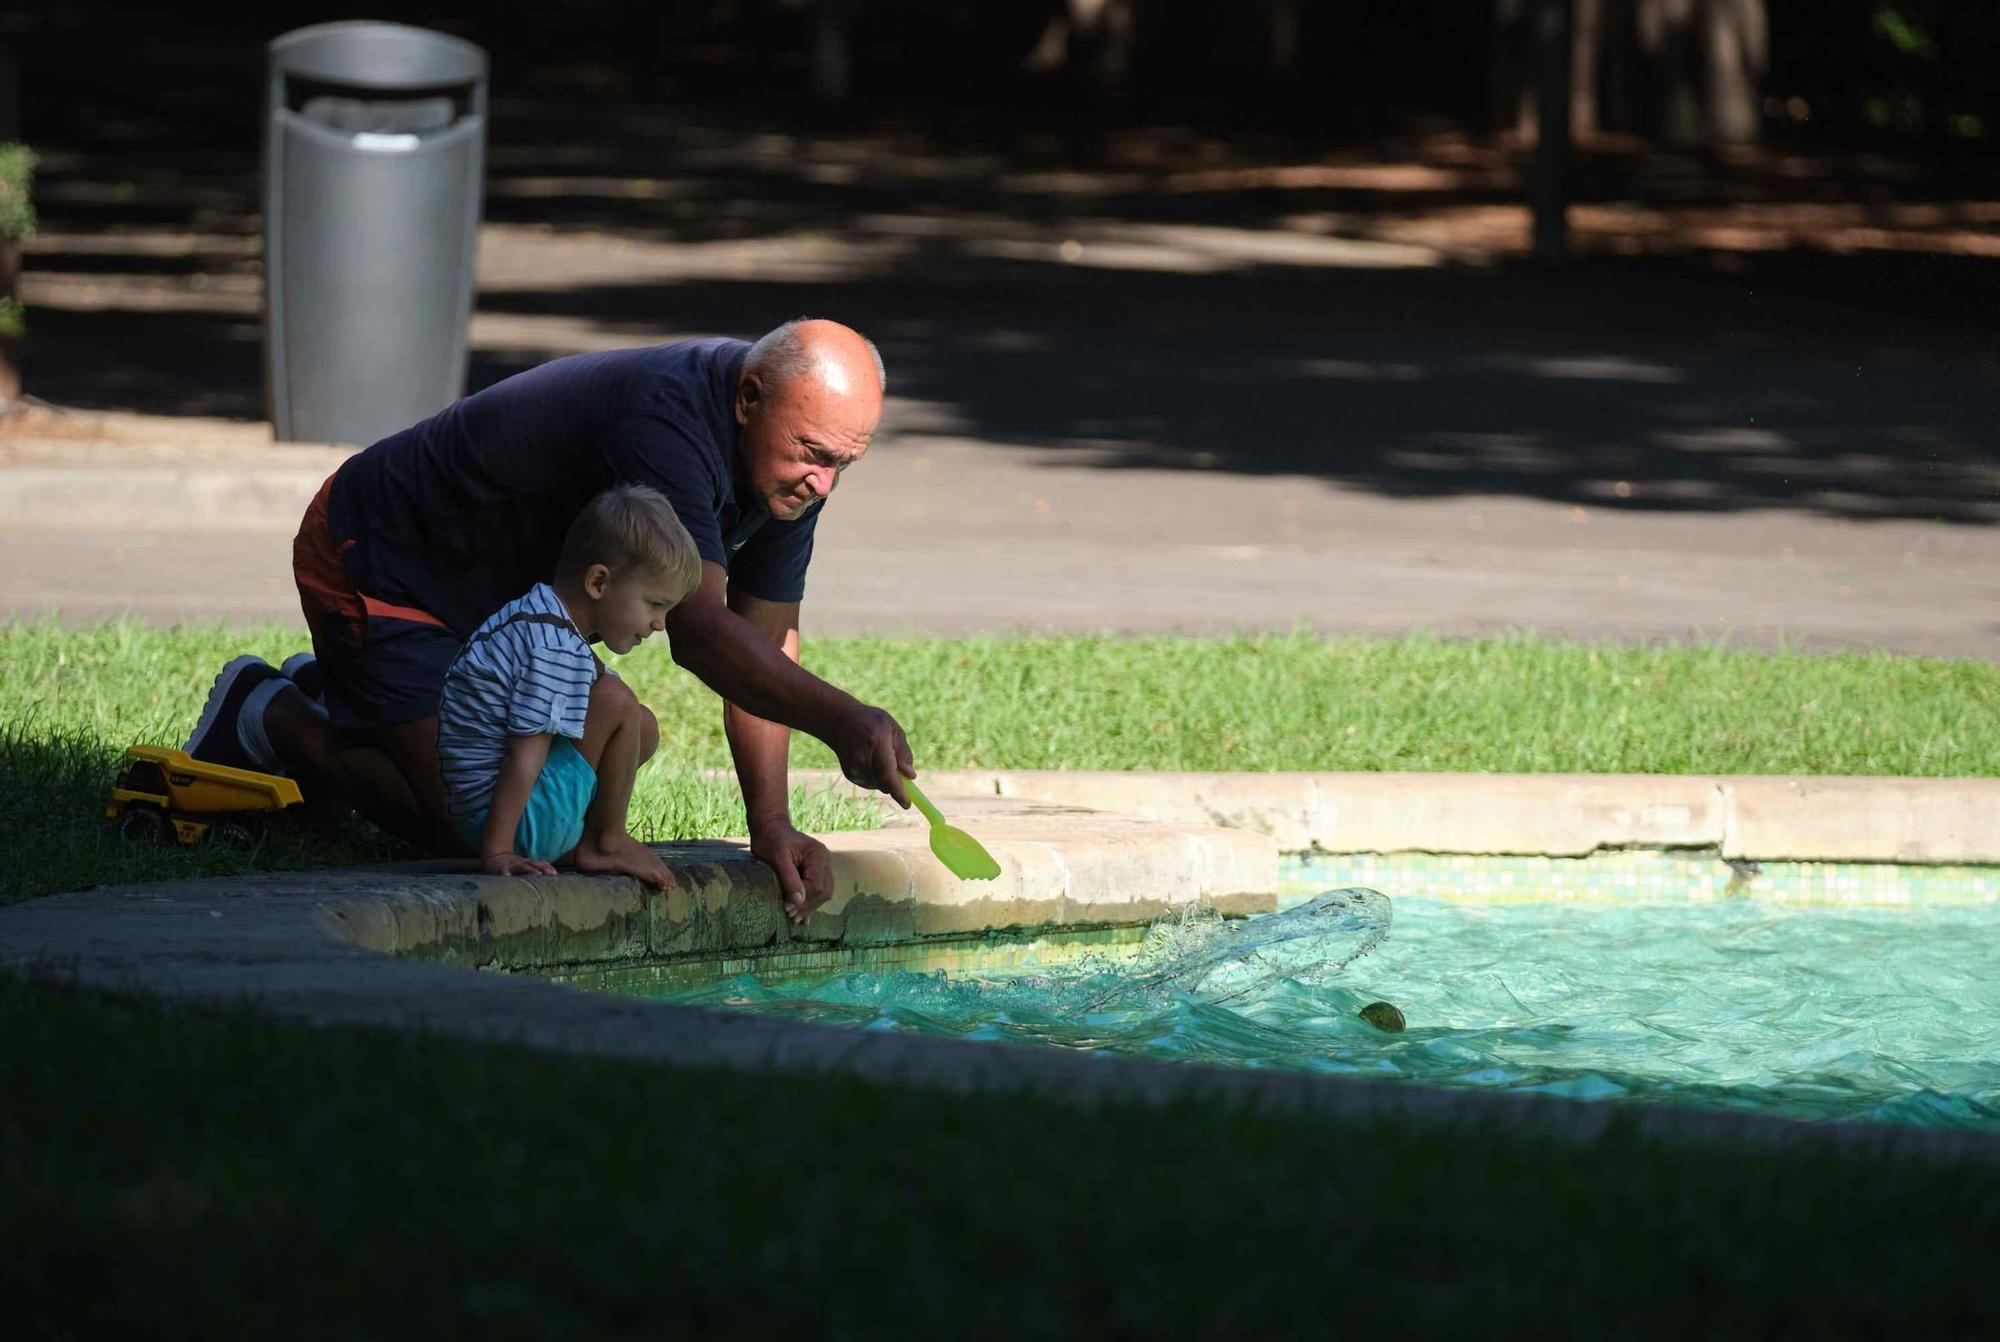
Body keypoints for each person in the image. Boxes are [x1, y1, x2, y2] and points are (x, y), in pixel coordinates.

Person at [186, 319, 912, 924]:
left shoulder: (788, 473)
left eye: (843, 464)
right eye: (814, 456)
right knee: (468, 826)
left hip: (513, 614)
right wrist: (846, 721)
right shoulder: (667, 420)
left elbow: (763, 639)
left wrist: (771, 824)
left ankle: (350, 694)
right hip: (387, 555)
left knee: (597, 759)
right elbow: (701, 633)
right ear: (750, 398)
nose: (823, 484)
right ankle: (272, 712)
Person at [439, 484, 698, 889]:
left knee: (640, 726)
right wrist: (499, 852)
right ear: (598, 582)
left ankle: (586, 838)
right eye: (654, 604)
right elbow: (524, 755)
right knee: (616, 703)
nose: (659, 624)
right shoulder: (553, 646)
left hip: (498, 814)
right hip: (503, 821)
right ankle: (605, 841)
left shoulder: (547, 620)